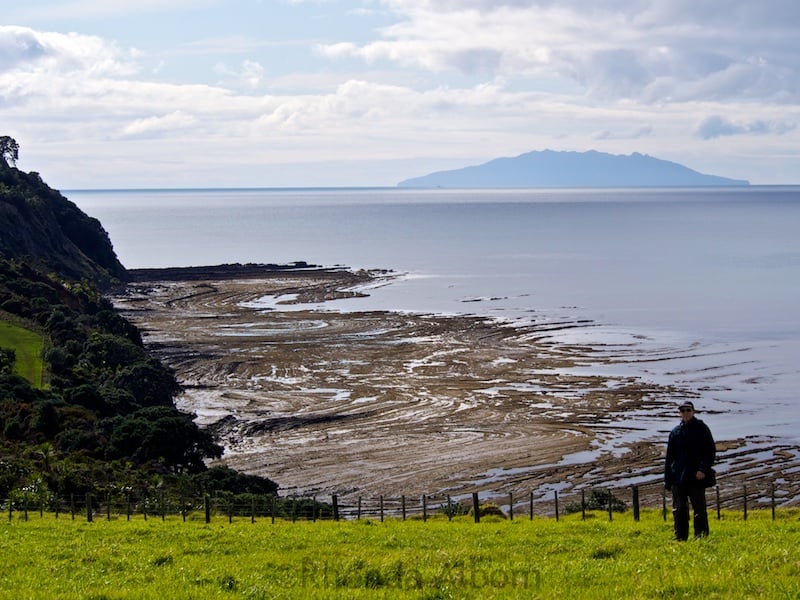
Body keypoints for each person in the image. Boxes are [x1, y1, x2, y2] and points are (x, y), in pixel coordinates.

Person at [664, 400, 716, 540]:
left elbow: (710, 452)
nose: (685, 413)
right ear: (679, 413)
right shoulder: (675, 432)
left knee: (699, 510)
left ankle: (701, 538)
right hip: (678, 478)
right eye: (683, 411)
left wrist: (703, 469)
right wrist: (667, 480)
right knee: (679, 510)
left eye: (688, 410)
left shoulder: (702, 429)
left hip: (696, 477)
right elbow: (669, 458)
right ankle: (680, 538)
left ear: (693, 412)